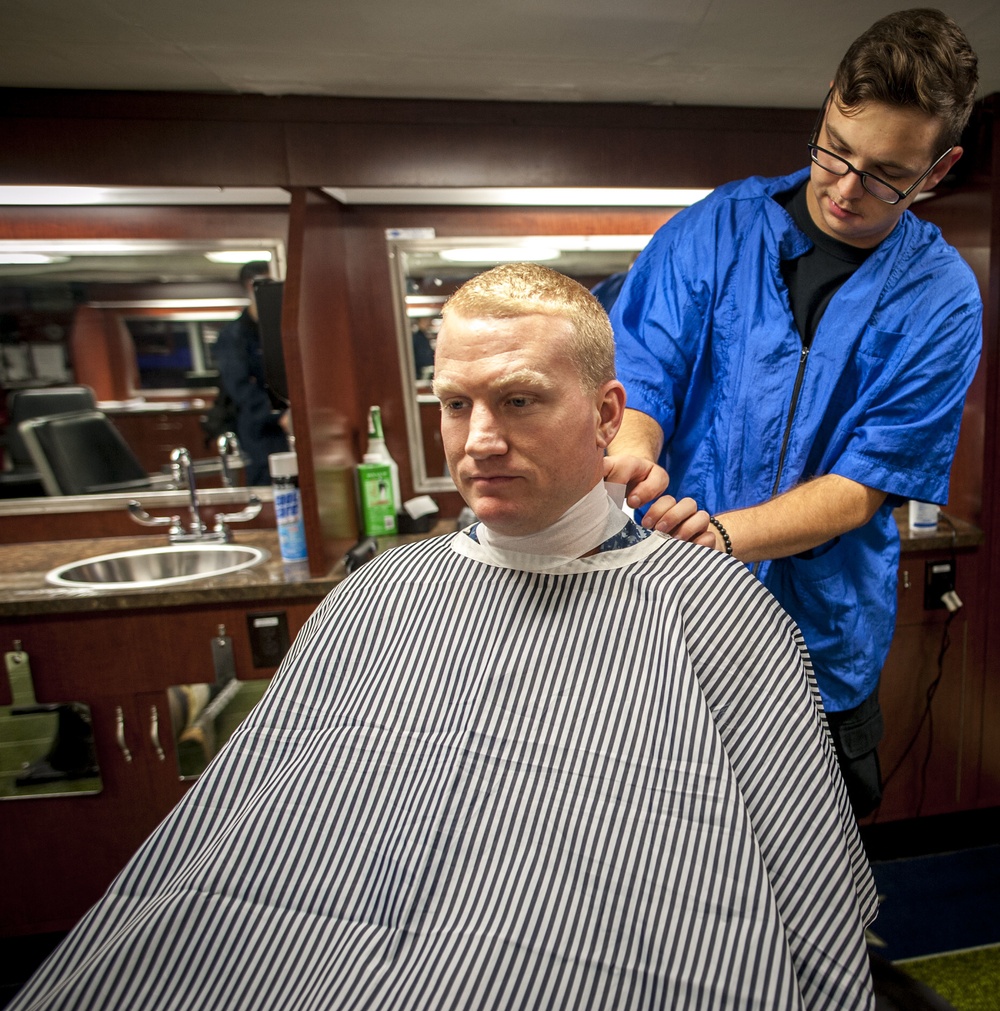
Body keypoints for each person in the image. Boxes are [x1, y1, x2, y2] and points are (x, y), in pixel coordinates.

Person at [10, 264, 876, 1010]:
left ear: (609, 415)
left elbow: (803, 881)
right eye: (456, 404)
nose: (481, 441)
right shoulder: (378, 594)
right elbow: (247, 840)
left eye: (520, 400)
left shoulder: (714, 609)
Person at [605, 9, 982, 816]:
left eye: (885, 174)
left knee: (812, 873)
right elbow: (642, 370)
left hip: (823, 646)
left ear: (938, 169)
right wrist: (636, 453)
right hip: (678, 628)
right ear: (824, 109)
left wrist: (722, 536)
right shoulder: (717, 228)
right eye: (835, 150)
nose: (845, 189)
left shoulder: (943, 299)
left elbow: (862, 485)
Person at [213, 260, 291, 484]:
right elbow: (239, 386)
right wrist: (279, 415)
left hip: (293, 424)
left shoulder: (282, 331)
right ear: (251, 286)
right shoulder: (234, 336)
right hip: (262, 430)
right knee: (271, 485)